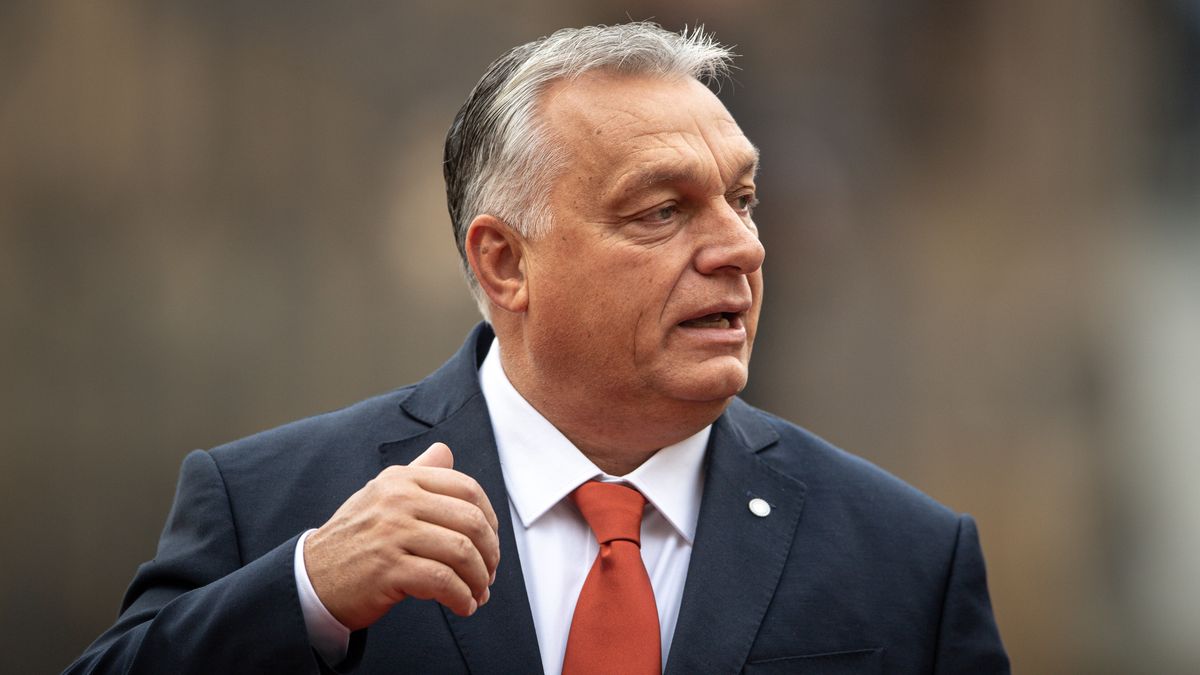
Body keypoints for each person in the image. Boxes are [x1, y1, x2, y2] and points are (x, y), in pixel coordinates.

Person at [67, 23, 1008, 675]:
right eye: (664, 209)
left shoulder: (909, 558)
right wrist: (307, 593)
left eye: (743, 199)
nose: (743, 248)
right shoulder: (271, 508)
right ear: (506, 261)